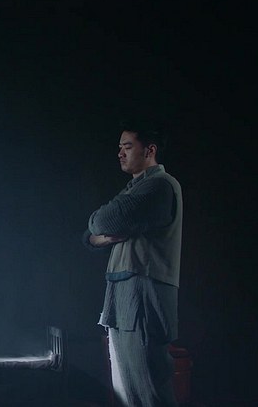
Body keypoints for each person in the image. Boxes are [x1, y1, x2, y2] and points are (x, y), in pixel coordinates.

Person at [83, 119, 183, 406]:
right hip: (124, 290)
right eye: (120, 147)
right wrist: (99, 234)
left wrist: (99, 230)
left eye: (127, 146)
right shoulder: (133, 189)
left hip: (144, 291)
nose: (120, 153)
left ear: (150, 150)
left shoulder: (159, 186)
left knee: (147, 387)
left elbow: (101, 221)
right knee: (126, 390)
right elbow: (89, 236)